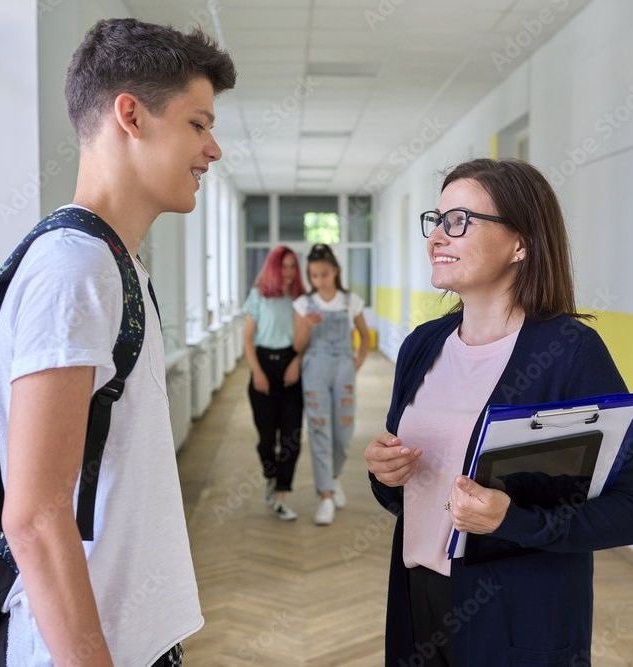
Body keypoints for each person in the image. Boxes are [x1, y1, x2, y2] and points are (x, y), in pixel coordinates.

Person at [0, 19, 235, 667]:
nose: (213, 150)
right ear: (131, 115)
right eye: (198, 124)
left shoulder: (116, 266)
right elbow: (34, 515)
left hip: (129, 640)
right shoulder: (75, 267)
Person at [364, 158, 631, 666]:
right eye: (436, 220)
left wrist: (514, 519)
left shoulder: (570, 351)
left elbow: (628, 504)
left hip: (518, 617)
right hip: (417, 601)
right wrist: (387, 474)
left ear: (521, 243)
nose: (438, 237)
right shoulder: (423, 344)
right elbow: (414, 498)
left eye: (459, 221)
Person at [294, 244, 369, 525]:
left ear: (335, 272)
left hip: (343, 369)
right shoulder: (303, 304)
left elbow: (364, 335)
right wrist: (307, 326)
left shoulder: (351, 301)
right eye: (314, 276)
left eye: (324, 274)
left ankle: (334, 477)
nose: (319, 280)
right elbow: (298, 346)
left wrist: (358, 362)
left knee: (344, 431)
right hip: (314, 367)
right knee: (318, 429)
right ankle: (325, 494)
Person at [243, 246, 306, 521]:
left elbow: (306, 336)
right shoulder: (258, 295)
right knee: (267, 439)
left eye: (294, 266)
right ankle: (271, 474)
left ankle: (281, 494)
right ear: (274, 267)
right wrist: (257, 371)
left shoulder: (301, 298)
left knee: (291, 436)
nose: (290, 272)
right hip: (263, 365)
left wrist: (297, 360)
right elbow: (247, 338)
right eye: (285, 266)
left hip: (291, 365)